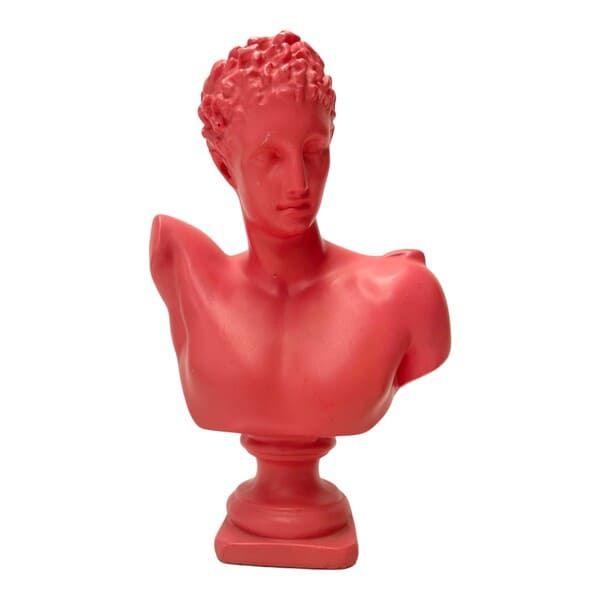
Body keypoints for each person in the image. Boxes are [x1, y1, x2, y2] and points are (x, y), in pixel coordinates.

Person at [150, 31, 451, 567]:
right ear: (224, 165)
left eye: (314, 151)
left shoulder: (400, 295)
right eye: (270, 156)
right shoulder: (186, 275)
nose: (299, 182)